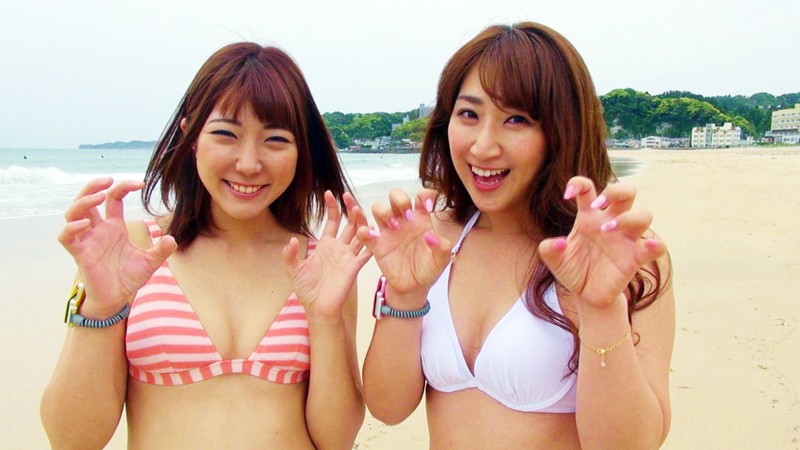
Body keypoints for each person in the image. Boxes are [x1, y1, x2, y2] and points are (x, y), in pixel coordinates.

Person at [357, 22, 675, 449]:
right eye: (469, 114)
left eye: (516, 119)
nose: (483, 147)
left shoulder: (618, 255)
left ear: (560, 131)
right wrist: (404, 295)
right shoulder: (432, 242)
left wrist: (600, 310)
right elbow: (388, 408)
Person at [41, 42, 369, 449]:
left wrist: (324, 319)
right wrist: (101, 307)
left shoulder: (321, 265)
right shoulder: (133, 251)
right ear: (191, 136)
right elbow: (71, 439)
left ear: (301, 150)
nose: (248, 163)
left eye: (275, 140)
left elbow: (336, 439)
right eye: (225, 134)